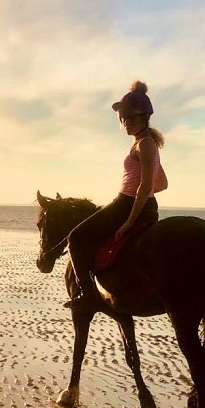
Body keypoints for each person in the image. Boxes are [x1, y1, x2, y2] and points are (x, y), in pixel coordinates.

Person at [65, 80, 168, 308]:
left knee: (75, 238)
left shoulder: (144, 145)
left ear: (144, 117)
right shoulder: (147, 144)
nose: (126, 122)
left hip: (127, 204)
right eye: (123, 119)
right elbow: (161, 184)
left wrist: (129, 221)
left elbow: (145, 186)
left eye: (130, 117)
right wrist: (144, 192)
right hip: (136, 202)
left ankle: (87, 296)